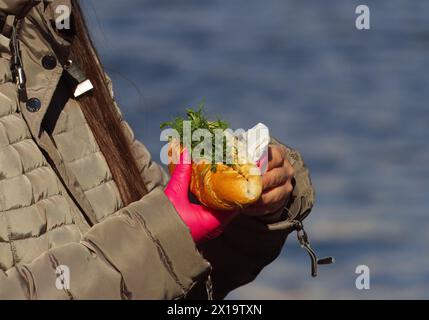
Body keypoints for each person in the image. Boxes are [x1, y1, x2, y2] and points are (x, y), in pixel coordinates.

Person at [0, 0, 315, 299]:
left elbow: (177, 280)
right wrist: (161, 234)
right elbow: (153, 243)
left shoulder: (50, 32)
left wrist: (250, 214)